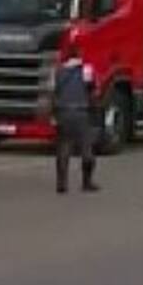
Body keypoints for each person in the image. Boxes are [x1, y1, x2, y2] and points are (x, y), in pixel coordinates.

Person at [52, 45, 99, 193]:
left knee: (64, 147)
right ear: (79, 56)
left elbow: (53, 93)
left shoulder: (58, 71)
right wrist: (94, 110)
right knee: (87, 148)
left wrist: (53, 115)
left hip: (63, 112)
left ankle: (62, 183)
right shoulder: (86, 70)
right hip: (81, 112)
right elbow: (92, 92)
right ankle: (87, 182)